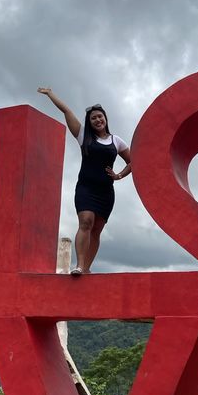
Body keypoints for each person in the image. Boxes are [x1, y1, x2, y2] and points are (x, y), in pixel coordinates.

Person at [37, 87, 131, 275]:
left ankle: (87, 268)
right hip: (86, 188)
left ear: (105, 119)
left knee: (96, 230)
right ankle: (79, 265)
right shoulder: (83, 136)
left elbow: (133, 161)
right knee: (85, 222)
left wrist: (119, 175)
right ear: (90, 122)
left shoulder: (116, 140)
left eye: (100, 117)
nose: (97, 120)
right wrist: (50, 94)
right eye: (93, 118)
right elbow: (67, 111)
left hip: (106, 192)